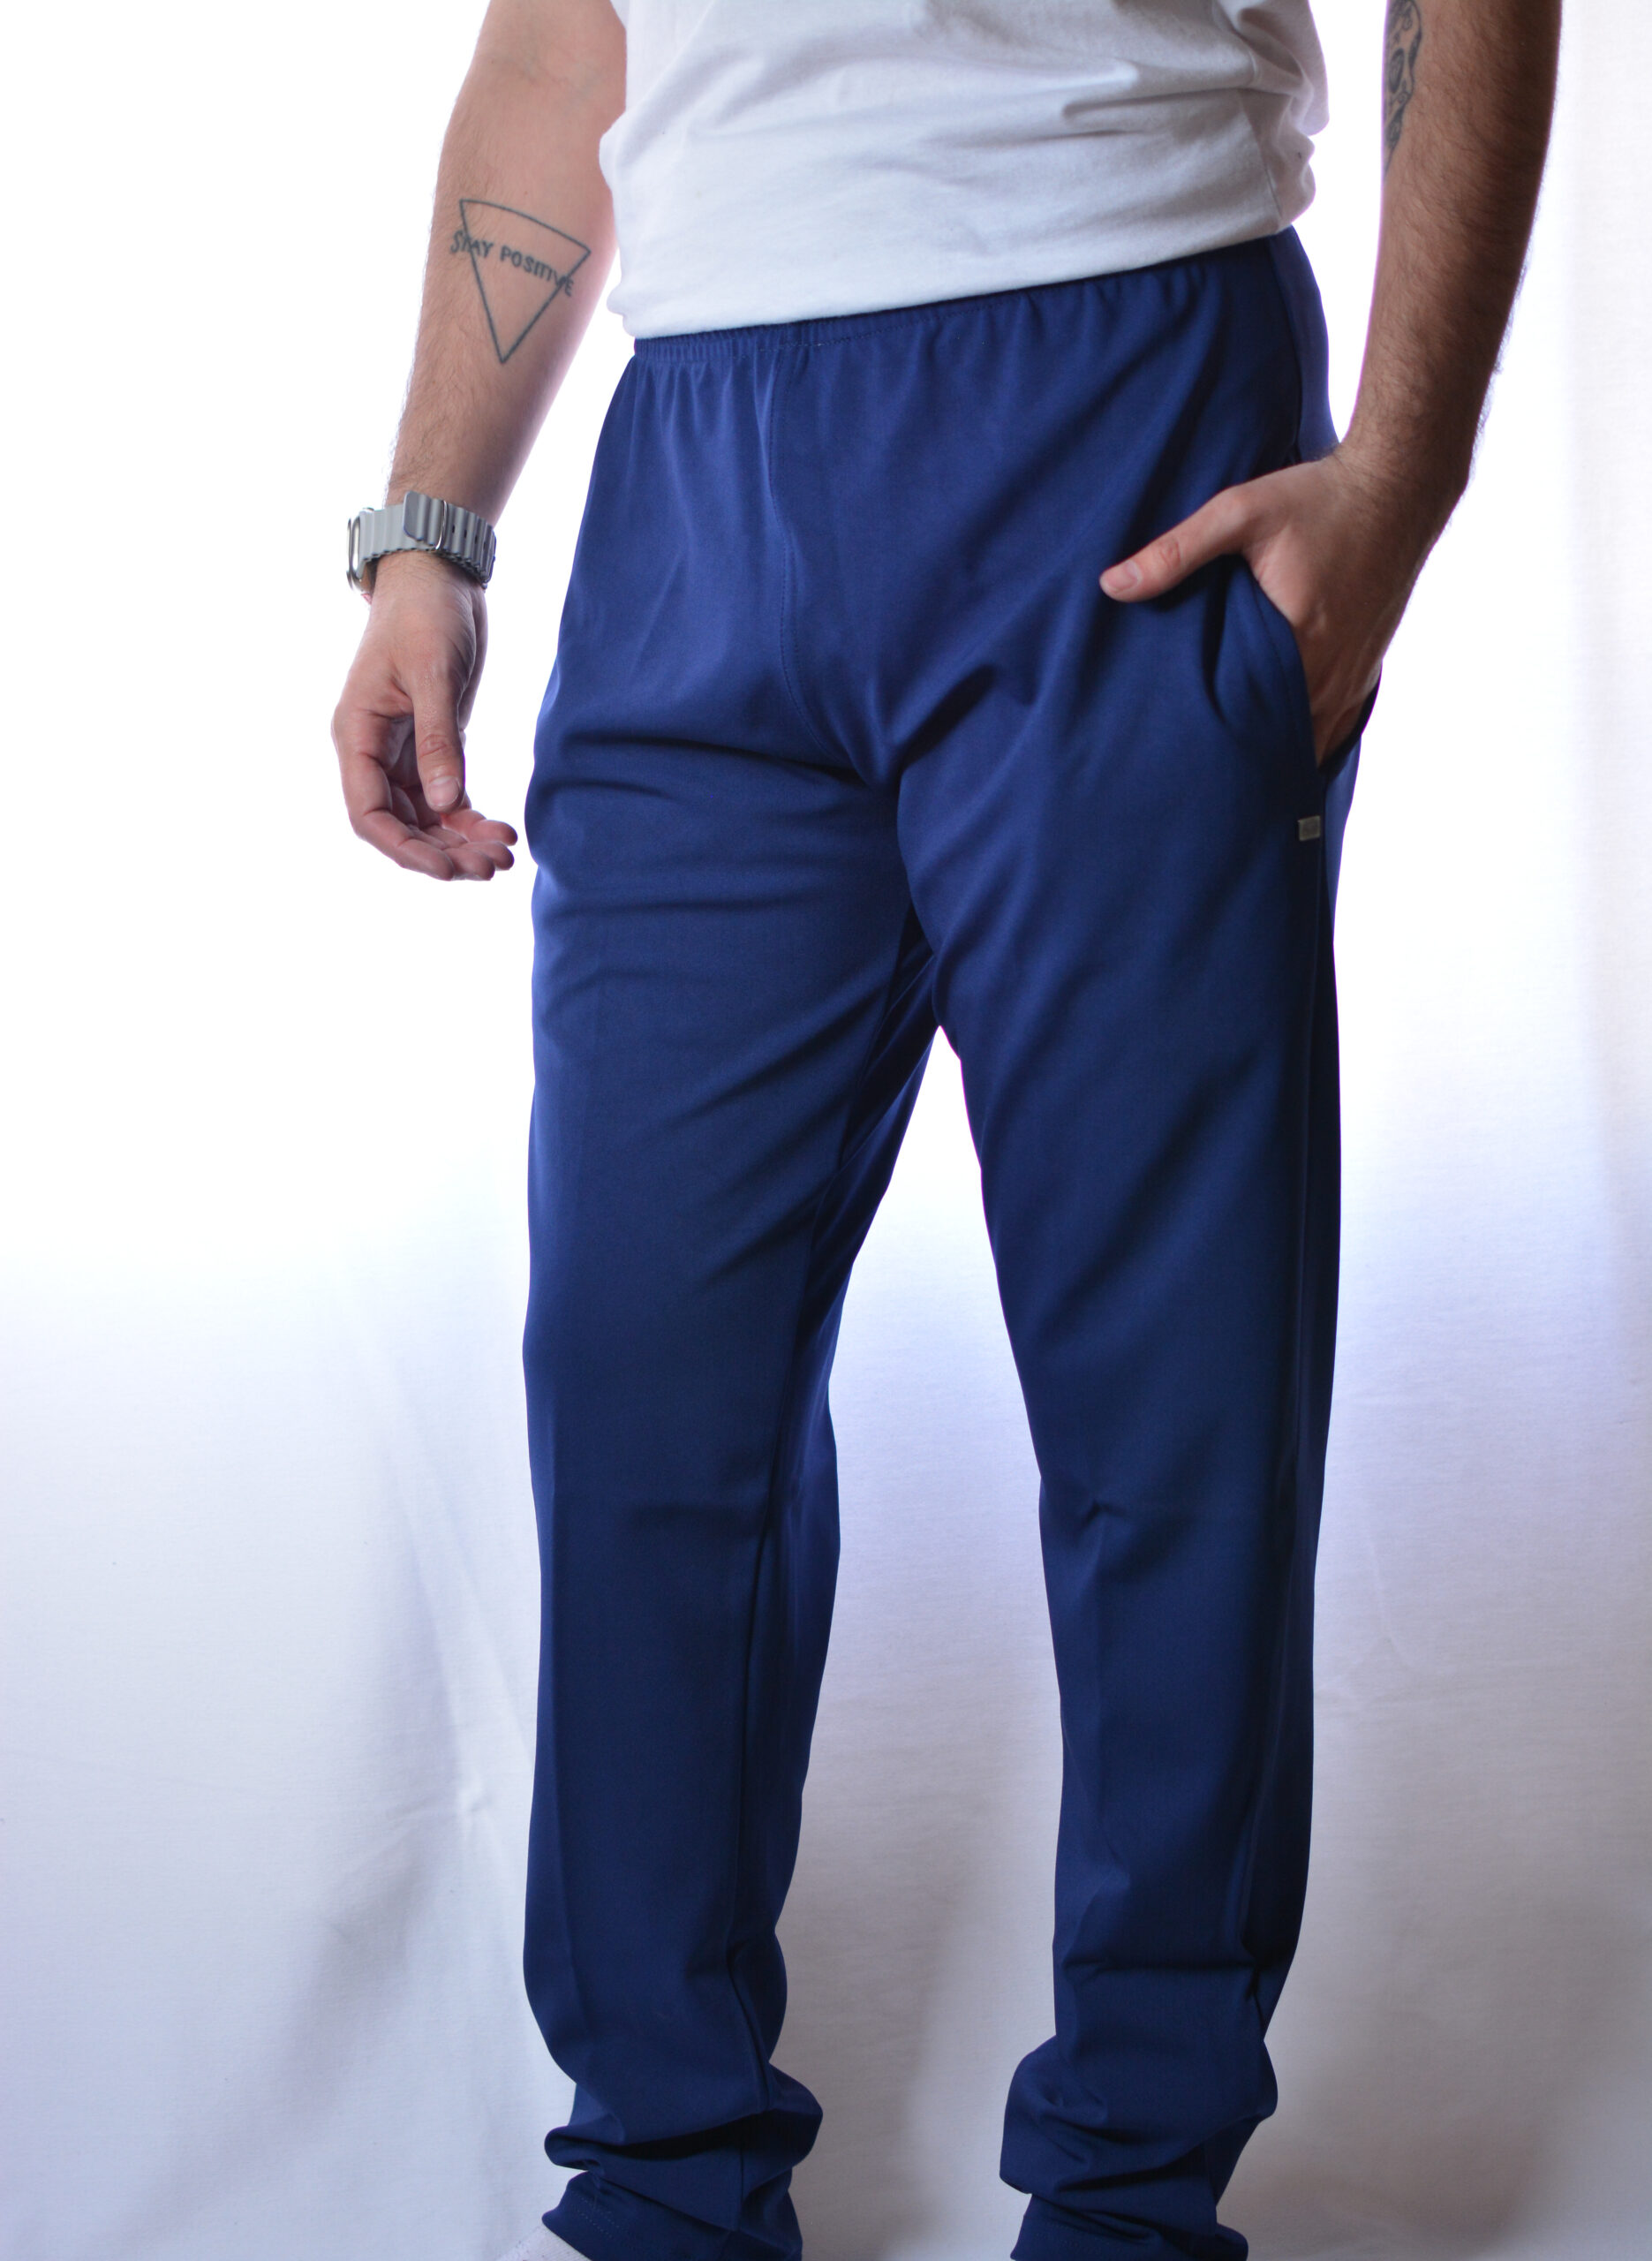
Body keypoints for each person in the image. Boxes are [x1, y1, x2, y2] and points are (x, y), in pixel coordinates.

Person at [332, 4, 1558, 2257]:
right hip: (700, 464)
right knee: (642, 1380)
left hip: (1124, 398)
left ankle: (1133, 2193)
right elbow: (564, 43)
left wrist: (1403, 472)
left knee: (1174, 1395)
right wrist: (431, 531)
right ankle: (663, 2179)